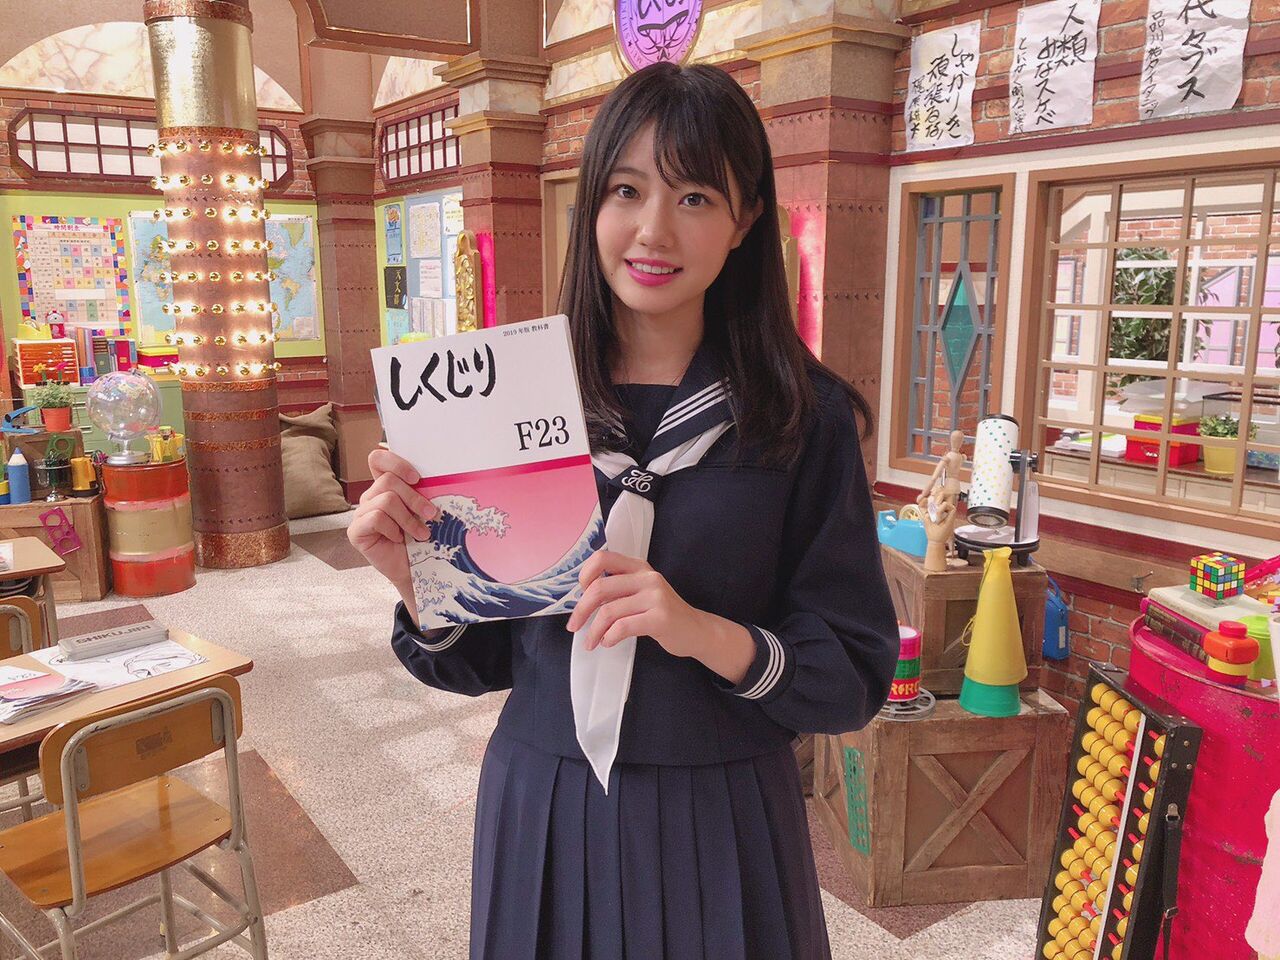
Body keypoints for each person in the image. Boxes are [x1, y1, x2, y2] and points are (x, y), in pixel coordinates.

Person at [349, 61, 899, 960]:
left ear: (745, 220)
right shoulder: (507, 405)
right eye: (626, 190)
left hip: (723, 808)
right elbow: (486, 661)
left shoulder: (803, 418)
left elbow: (850, 678)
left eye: (694, 197)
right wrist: (416, 580)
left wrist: (697, 629)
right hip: (545, 799)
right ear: (591, 208)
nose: (653, 230)